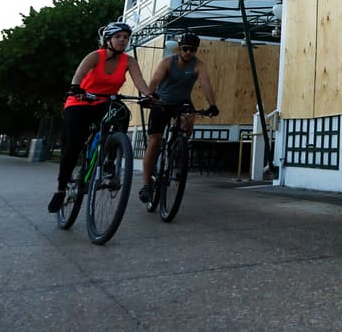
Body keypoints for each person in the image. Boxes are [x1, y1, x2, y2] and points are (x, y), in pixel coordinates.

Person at [47, 21, 152, 213]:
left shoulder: (129, 61)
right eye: (118, 36)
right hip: (80, 101)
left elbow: (140, 81)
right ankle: (61, 189)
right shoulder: (96, 56)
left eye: (126, 37)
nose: (122, 40)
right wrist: (76, 88)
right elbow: (79, 74)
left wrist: (150, 96)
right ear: (108, 39)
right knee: (73, 145)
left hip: (104, 102)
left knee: (122, 113)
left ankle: (110, 158)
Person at [139, 32, 219, 203]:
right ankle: (146, 185)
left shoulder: (199, 65)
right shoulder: (168, 62)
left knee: (189, 119)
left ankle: (178, 146)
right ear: (179, 48)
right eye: (185, 48)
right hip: (162, 103)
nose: (189, 52)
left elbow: (206, 84)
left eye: (193, 50)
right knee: (155, 141)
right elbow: (154, 80)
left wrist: (213, 105)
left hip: (182, 102)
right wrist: (149, 96)